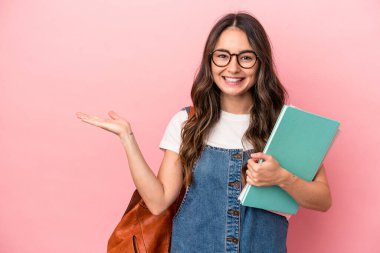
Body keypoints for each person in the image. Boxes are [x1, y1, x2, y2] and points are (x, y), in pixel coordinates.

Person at [76, 12, 332, 253]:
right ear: (210, 61)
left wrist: (281, 178)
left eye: (245, 57)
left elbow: (323, 200)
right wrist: (127, 138)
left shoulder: (286, 124)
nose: (232, 68)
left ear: (260, 62)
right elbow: (158, 200)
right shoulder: (187, 122)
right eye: (222, 56)